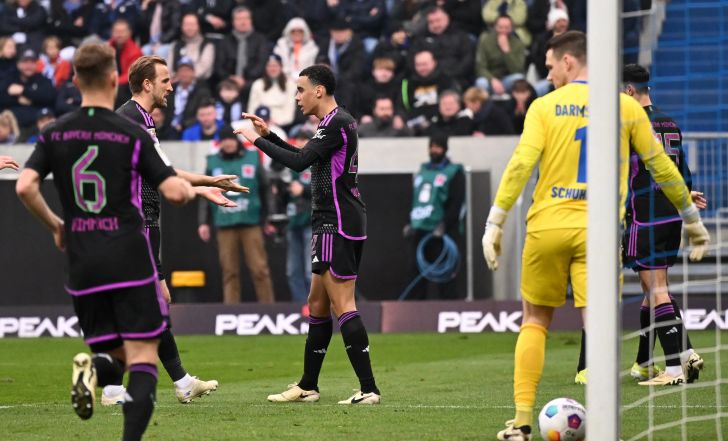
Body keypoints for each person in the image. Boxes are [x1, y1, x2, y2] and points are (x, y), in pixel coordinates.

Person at [480, 31, 710, 440]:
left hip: (547, 227)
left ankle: (521, 422)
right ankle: (606, 426)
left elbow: (520, 165)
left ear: (569, 61)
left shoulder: (544, 106)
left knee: (534, 320)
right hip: (598, 233)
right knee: (598, 323)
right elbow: (660, 165)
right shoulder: (625, 106)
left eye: (550, 66)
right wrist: (691, 218)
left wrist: (495, 221)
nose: (548, 75)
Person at [15, 42, 196, 441]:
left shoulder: (54, 133)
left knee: (115, 354)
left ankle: (95, 372)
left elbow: (25, 186)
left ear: (75, 81)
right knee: (143, 355)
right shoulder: (130, 131)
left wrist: (56, 225)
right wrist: (190, 189)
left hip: (82, 260)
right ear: (114, 79)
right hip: (129, 253)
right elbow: (173, 190)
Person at [235, 64, 381, 405]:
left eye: (300, 90)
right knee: (317, 304)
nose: (297, 97)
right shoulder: (332, 123)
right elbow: (305, 156)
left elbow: (299, 162)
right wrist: (271, 136)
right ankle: (308, 385)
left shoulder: (336, 123)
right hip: (333, 222)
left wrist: (257, 141)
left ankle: (369, 388)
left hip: (336, 223)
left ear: (319, 90)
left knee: (343, 304)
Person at [108, 55, 245, 405]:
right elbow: (162, 169)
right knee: (149, 302)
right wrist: (208, 182)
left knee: (152, 301)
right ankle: (118, 386)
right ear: (147, 84)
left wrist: (203, 188)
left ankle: (176, 382)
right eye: (165, 80)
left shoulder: (135, 117)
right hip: (137, 221)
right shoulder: (133, 118)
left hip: (141, 219)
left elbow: (159, 167)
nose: (171, 86)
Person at [573, 64, 706, 386]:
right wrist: (685, 194)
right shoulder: (669, 122)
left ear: (629, 91)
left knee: (656, 289)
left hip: (645, 215)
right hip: (672, 214)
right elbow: (677, 169)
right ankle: (647, 362)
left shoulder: (630, 123)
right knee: (654, 288)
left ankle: (676, 366)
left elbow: (620, 171)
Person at [198, 125, 276, 304]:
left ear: (236, 140)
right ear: (220, 142)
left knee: (260, 269)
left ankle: (269, 309)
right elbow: (204, 193)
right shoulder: (212, 162)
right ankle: (230, 312)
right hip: (225, 223)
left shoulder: (252, 157)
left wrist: (270, 216)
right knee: (229, 272)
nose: (228, 143)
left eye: (231, 139)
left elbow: (266, 189)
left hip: (251, 222)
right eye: (224, 140)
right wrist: (203, 222)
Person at [402, 134, 465, 300]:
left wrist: (444, 224)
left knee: (445, 274)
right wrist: (409, 222)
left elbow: (457, 202)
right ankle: (415, 309)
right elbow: (414, 199)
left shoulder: (454, 172)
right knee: (416, 273)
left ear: (445, 149)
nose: (434, 150)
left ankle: (448, 308)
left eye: (437, 147)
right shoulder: (422, 171)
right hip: (420, 230)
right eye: (432, 146)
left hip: (441, 232)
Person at [281, 130, 313, 302]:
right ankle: (300, 306)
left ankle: (316, 307)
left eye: (304, 140)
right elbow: (283, 194)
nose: (301, 143)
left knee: (311, 270)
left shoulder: (320, 162)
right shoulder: (290, 165)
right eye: (299, 140)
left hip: (312, 221)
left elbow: (329, 190)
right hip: (293, 221)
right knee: (292, 271)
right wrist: (281, 190)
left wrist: (304, 190)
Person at [408, 6, 474, 89]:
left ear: (447, 19)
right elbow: (411, 60)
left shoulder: (460, 36)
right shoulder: (420, 39)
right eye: (431, 22)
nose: (435, 25)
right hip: (426, 81)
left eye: (438, 20)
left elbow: (467, 60)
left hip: (455, 78)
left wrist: (452, 74)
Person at [0, 49, 56, 138]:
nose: (29, 66)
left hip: (37, 126)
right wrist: (17, 100)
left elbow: (49, 97)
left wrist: (23, 91)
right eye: (25, 62)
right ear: (18, 64)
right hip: (12, 126)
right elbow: (2, 97)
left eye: (32, 62)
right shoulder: (10, 78)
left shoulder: (43, 79)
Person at [475, 14, 527, 96]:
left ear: (512, 28)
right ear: (495, 27)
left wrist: (507, 51)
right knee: (481, 82)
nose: (503, 30)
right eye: (500, 27)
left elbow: (518, 69)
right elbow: (480, 67)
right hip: (490, 79)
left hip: (507, 79)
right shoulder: (485, 41)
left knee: (518, 78)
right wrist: (492, 79)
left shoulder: (518, 44)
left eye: (507, 28)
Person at [246, 54, 297, 129]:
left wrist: (275, 122)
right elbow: (252, 109)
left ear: (281, 67)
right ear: (265, 68)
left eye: (275, 66)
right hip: (258, 123)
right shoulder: (257, 84)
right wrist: (258, 122)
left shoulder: (290, 85)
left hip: (279, 125)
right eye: (269, 66)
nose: (272, 69)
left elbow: (289, 113)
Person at [167, 13, 215, 82]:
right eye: (186, 24)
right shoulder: (175, 45)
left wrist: (184, 77)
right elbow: (168, 68)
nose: (189, 28)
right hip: (175, 83)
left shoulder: (207, 45)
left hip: (199, 84)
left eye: (192, 25)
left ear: (198, 26)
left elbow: (203, 67)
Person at [110, 19, 143, 107]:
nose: (119, 35)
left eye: (122, 32)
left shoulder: (135, 52)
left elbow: (130, 75)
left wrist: (113, 82)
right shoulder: (108, 48)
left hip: (129, 87)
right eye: (116, 32)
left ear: (129, 33)